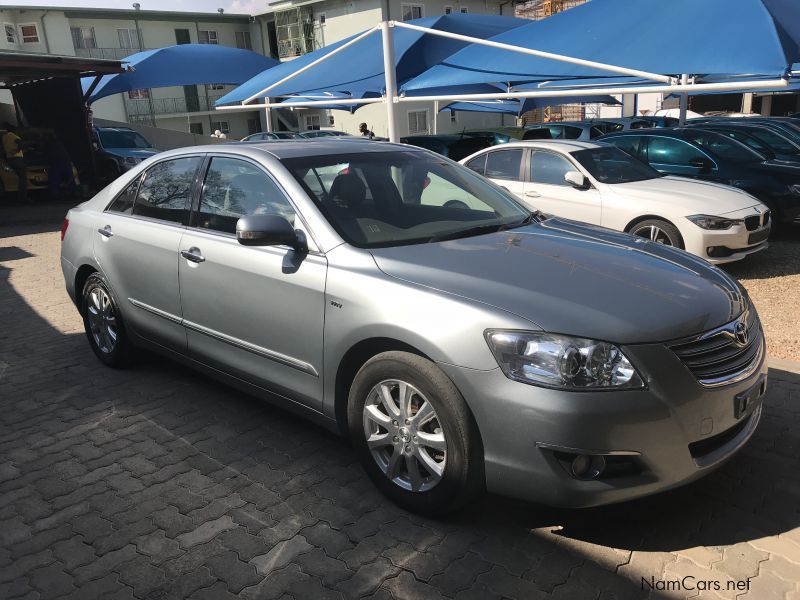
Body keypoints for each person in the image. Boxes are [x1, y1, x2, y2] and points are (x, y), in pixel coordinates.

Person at [45, 132, 76, 200]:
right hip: (64, 162)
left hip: (58, 163)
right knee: (69, 178)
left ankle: (55, 195)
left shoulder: (50, 145)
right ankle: (73, 193)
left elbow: (49, 155)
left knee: (54, 179)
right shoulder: (59, 144)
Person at [2, 122, 28, 203]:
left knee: (19, 177)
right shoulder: (12, 135)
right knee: (23, 178)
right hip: (17, 158)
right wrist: (18, 150)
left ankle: (19, 197)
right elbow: (20, 142)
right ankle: (23, 198)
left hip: (10, 158)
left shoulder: (4, 137)